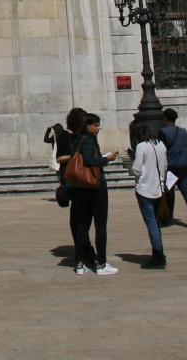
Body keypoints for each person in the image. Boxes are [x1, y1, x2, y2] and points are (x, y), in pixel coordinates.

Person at [66, 112, 118, 276]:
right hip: (95, 185)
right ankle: (101, 264)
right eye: (95, 125)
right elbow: (88, 160)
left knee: (82, 225)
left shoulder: (76, 139)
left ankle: (80, 263)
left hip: (81, 187)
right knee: (100, 226)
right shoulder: (88, 140)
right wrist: (106, 159)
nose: (98, 128)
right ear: (87, 125)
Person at [131, 121, 169, 269]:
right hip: (159, 188)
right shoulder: (161, 144)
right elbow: (164, 166)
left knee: (151, 222)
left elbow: (137, 169)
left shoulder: (141, 146)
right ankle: (159, 251)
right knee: (156, 222)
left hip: (145, 189)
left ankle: (158, 255)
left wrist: (131, 166)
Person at [159, 108, 187, 229]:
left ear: (165, 119)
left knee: (168, 193)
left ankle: (166, 218)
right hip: (184, 166)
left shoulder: (163, 132)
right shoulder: (183, 132)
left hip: (172, 168)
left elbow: (161, 151)